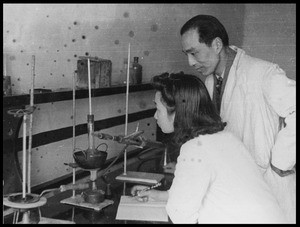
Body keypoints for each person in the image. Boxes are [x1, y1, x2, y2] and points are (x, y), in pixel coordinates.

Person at [177, 15, 296, 223]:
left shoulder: (263, 73)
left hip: (268, 184)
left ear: (216, 44)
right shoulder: (209, 82)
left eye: (194, 53)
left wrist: (281, 162)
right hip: (235, 191)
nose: (190, 62)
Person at [131, 72, 287, 224]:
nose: (155, 116)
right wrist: (155, 195)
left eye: (158, 109)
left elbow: (181, 215)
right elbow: (186, 194)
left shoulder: (194, 149)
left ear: (177, 113)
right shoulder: (226, 138)